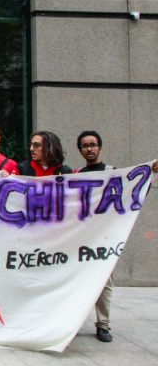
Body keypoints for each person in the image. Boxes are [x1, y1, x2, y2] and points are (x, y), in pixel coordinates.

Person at [74, 130, 115, 342]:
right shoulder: (77, 174)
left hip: (104, 236)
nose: (89, 149)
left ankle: (103, 324)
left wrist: (150, 172)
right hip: (82, 236)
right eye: (85, 146)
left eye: (92, 145)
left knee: (104, 281)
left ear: (99, 147)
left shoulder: (113, 172)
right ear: (80, 150)